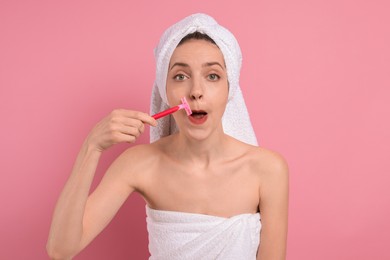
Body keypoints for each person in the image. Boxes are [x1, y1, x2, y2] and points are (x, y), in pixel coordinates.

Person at [47, 13, 288, 260]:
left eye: (212, 76)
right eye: (180, 76)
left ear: (230, 89)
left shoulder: (268, 170)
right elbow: (60, 249)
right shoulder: (138, 164)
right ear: (165, 90)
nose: (195, 91)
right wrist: (92, 147)